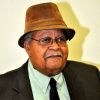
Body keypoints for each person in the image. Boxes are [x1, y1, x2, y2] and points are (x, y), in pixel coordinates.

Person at [0, 2, 100, 100]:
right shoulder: (3, 88)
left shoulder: (91, 77)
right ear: (28, 47)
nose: (56, 46)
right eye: (46, 40)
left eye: (61, 39)